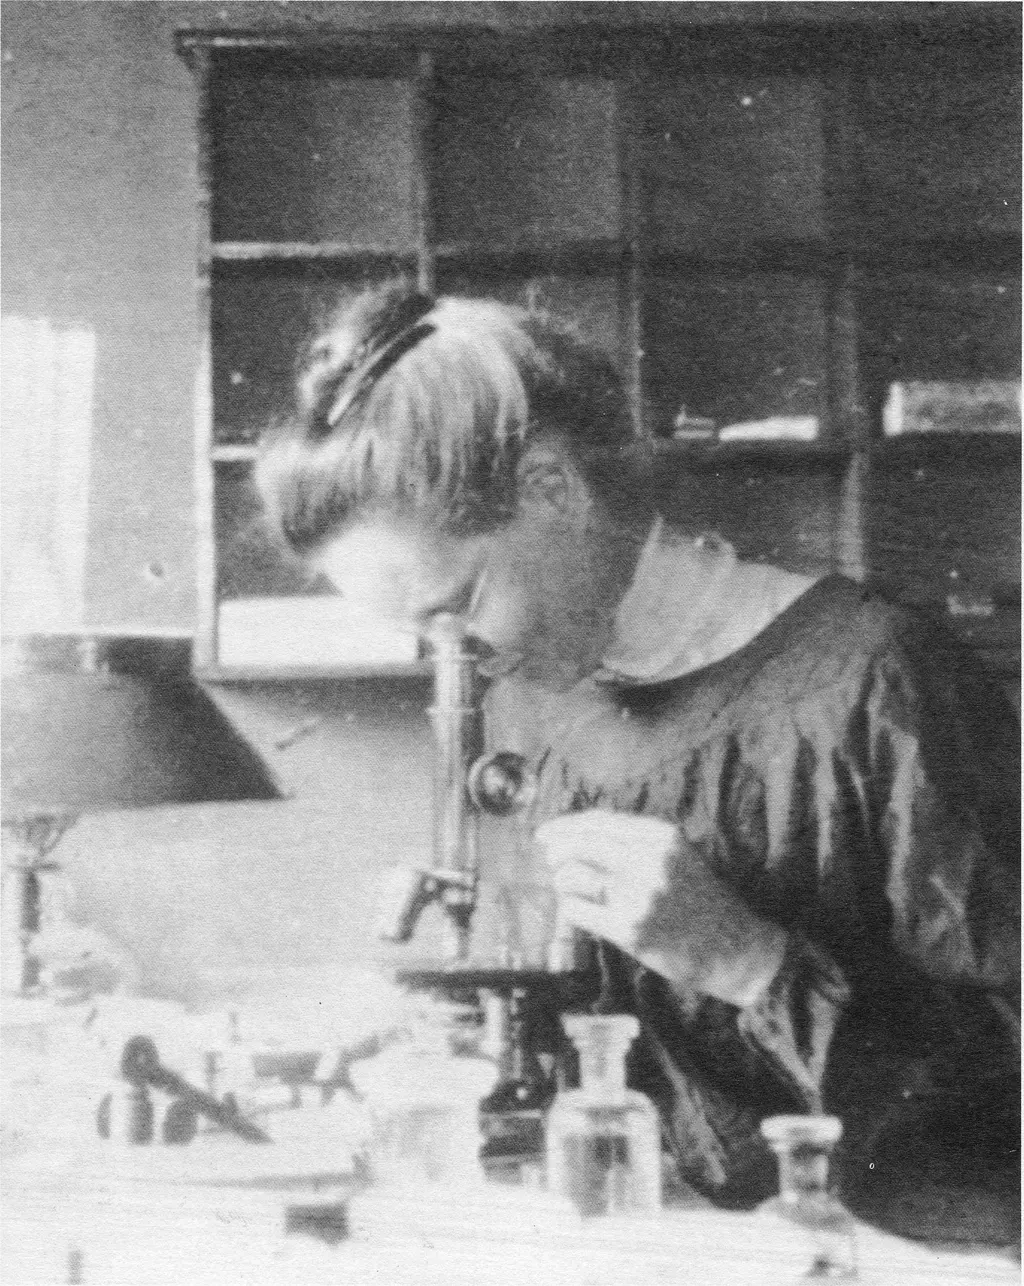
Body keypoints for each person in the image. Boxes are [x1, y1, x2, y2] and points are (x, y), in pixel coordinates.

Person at [257, 283, 1020, 1244]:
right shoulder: (542, 696)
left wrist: (741, 958)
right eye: (422, 634)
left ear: (552, 489)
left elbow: (1004, 1104)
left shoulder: (880, 682)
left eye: (460, 604)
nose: (460, 660)